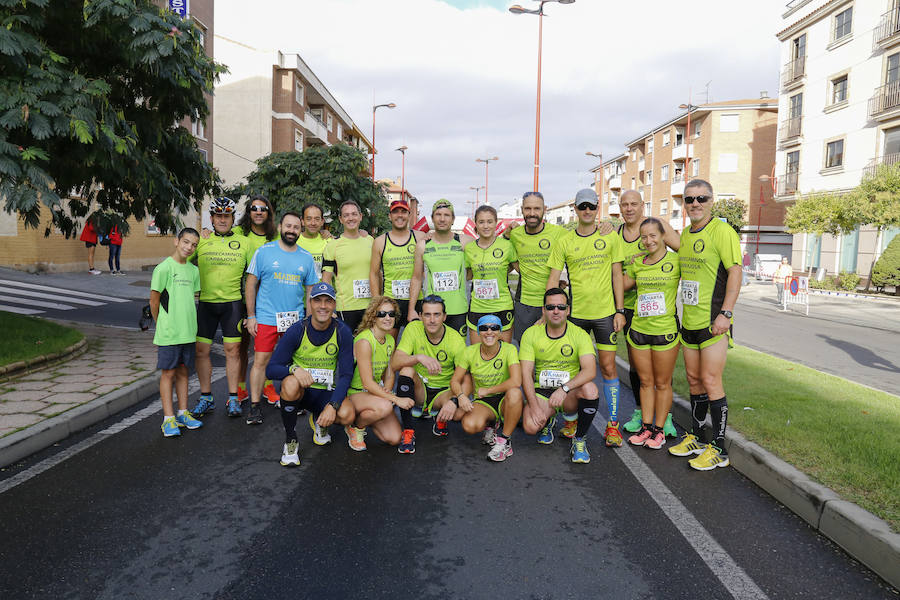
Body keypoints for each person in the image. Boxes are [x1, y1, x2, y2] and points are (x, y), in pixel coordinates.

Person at [669, 179, 742, 471]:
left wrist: (726, 313)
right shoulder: (686, 234)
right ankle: (698, 437)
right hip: (690, 322)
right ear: (684, 204)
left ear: (712, 201)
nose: (695, 203)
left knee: (711, 381)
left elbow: (735, 273)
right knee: (694, 380)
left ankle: (719, 449)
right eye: (689, 199)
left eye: (701, 198)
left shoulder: (722, 231)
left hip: (714, 322)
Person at [547, 188, 626, 448]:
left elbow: (617, 276)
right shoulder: (565, 241)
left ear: (597, 207)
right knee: (573, 370)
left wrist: (620, 310)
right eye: (582, 207)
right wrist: (547, 310)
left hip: (604, 315)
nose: (587, 211)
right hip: (576, 315)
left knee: (608, 368)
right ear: (576, 210)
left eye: (591, 207)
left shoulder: (610, 237)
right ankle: (571, 419)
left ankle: (612, 426)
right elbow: (553, 277)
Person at [265, 282, 357, 466]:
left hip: (325, 391)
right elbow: (271, 368)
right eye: (318, 301)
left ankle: (319, 420)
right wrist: (294, 369)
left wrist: (333, 405)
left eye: (328, 301)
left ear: (334, 305)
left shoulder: (343, 332)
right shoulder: (297, 330)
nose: (323, 306)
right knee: (289, 384)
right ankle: (291, 440)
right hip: (302, 391)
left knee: (347, 414)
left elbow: (346, 374)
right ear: (310, 304)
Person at [244, 211, 319, 426]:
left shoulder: (305, 257)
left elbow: (310, 290)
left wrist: (309, 319)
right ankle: (255, 406)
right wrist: (251, 316)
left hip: (294, 321)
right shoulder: (264, 252)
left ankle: (292, 401)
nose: (292, 230)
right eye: (288, 226)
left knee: (296, 363)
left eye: (296, 227)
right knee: (260, 362)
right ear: (279, 227)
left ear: (300, 230)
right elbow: (251, 284)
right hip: (267, 318)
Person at [618, 189, 680, 439]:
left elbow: (696, 265)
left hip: (664, 325)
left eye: (634, 203)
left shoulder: (674, 259)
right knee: (640, 374)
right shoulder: (616, 236)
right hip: (635, 319)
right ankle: (643, 417)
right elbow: (617, 281)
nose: (629, 208)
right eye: (625, 204)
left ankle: (664, 421)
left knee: (663, 378)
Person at [189, 198, 253, 420]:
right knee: (201, 351)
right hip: (206, 303)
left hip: (233, 304)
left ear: (233, 218)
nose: (222, 220)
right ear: (212, 218)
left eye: (226, 216)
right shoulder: (202, 240)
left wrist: (252, 312)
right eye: (218, 216)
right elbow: (182, 261)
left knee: (233, 351)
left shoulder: (244, 242)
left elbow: (253, 277)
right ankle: (206, 397)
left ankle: (234, 397)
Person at [519, 288, 600, 463]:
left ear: (568, 310)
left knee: (590, 390)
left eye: (561, 307)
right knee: (530, 427)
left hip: (568, 393)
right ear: (543, 310)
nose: (556, 311)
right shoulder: (531, 334)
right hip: (543, 390)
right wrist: (533, 407)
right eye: (550, 307)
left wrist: (564, 389)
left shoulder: (579, 334)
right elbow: (525, 374)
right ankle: (548, 419)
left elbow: (590, 370)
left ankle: (579, 440)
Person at [391, 294, 468, 451]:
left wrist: (454, 401)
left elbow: (467, 378)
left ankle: (441, 416)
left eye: (436, 314)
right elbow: (395, 363)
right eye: (427, 314)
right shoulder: (413, 328)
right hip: (421, 390)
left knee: (460, 412)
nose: (432, 320)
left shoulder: (455, 340)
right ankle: (408, 431)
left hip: (444, 392)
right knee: (406, 370)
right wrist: (418, 357)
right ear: (420, 316)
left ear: (444, 317)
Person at [150, 228, 204, 437]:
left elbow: (192, 299)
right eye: (186, 242)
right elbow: (154, 300)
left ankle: (183, 413)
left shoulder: (193, 271)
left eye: (193, 245)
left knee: (183, 372)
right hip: (170, 333)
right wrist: (161, 323)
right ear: (176, 241)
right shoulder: (163, 268)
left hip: (188, 332)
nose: (189, 247)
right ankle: (168, 418)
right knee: (169, 373)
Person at [450, 315, 523, 462]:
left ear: (500, 332)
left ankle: (504, 441)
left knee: (515, 393)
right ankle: (491, 423)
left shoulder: (509, 349)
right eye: (484, 328)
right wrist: (461, 396)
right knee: (470, 425)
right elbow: (455, 380)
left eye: (494, 328)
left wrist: (489, 390)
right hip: (484, 401)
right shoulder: (469, 352)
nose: (489, 332)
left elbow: (516, 381)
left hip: (504, 398)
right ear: (478, 332)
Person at [504, 191, 568, 343]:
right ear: (522, 209)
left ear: (544, 209)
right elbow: (504, 261)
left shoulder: (559, 233)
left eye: (537, 209)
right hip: (524, 303)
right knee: (525, 350)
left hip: (552, 304)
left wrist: (604, 228)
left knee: (551, 350)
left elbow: (582, 238)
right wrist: (506, 235)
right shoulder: (515, 234)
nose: (532, 213)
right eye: (528, 209)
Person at [344, 296, 407, 451]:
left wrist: (386, 389)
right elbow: (367, 383)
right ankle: (356, 427)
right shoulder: (365, 341)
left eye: (391, 314)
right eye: (382, 314)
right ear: (373, 316)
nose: (388, 318)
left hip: (373, 395)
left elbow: (390, 373)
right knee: (385, 406)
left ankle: (370, 415)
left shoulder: (390, 340)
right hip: (356, 393)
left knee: (394, 438)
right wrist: (395, 399)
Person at [233, 195, 279, 403]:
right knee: (241, 347)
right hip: (241, 299)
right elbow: (218, 237)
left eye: (263, 208)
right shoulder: (237, 233)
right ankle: (241, 388)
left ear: (269, 213)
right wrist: (206, 234)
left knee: (266, 348)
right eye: (254, 208)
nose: (259, 212)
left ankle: (267, 386)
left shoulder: (275, 238)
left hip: (268, 301)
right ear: (248, 212)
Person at [408, 199, 473, 338]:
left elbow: (478, 266)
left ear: (453, 219)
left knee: (458, 355)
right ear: (432, 218)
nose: (442, 219)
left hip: (458, 310)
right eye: (438, 215)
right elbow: (416, 278)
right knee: (433, 354)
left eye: (446, 215)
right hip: (432, 311)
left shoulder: (465, 242)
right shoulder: (423, 245)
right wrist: (411, 309)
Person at [465, 205, 518, 344]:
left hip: (502, 305)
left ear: (496, 223)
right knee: (476, 354)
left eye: (490, 222)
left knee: (504, 354)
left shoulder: (507, 246)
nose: (486, 226)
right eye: (481, 222)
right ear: (475, 224)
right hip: (478, 306)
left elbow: (517, 268)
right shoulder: (469, 248)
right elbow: (469, 275)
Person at [370, 198, 423, 337]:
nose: (400, 215)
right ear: (390, 216)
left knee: (417, 346)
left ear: (409, 215)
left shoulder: (420, 238)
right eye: (395, 212)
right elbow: (374, 273)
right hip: (391, 301)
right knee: (389, 346)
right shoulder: (380, 242)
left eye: (403, 212)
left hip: (416, 300)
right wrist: (377, 303)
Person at [322, 200, 375, 335]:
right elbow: (326, 281)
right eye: (346, 215)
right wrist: (329, 309)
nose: (351, 218)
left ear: (361, 216)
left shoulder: (370, 241)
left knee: (368, 349)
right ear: (340, 219)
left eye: (354, 214)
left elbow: (377, 273)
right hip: (345, 308)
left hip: (370, 307)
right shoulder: (332, 246)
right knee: (348, 351)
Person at [296, 202, 331, 281]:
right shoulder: (294, 242)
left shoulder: (329, 242)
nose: (313, 223)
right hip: (300, 292)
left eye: (317, 219)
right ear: (302, 221)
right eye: (308, 219)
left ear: (322, 221)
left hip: (323, 292)